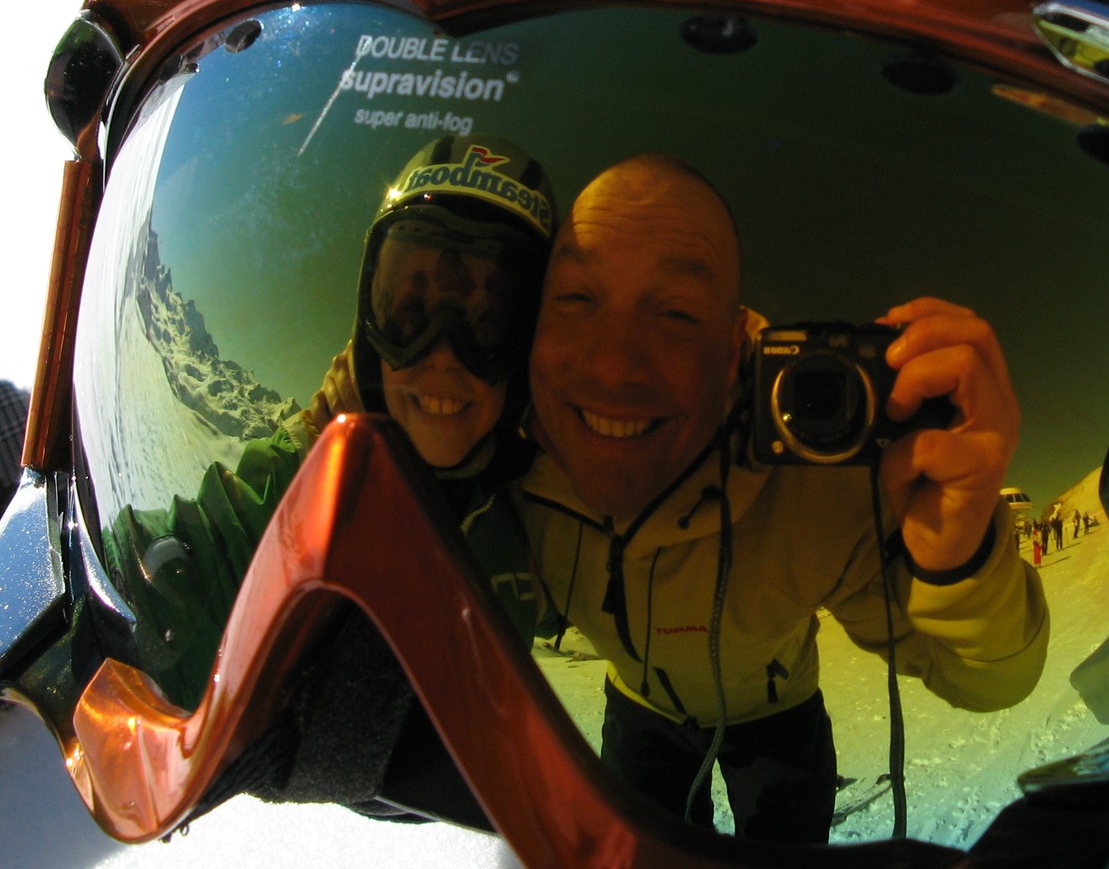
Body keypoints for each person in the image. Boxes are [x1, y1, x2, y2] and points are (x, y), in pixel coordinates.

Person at [514, 152, 1048, 843]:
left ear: (734, 348)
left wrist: (960, 558)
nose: (614, 364)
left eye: (677, 312)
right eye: (576, 298)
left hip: (778, 717)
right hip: (642, 713)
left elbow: (991, 680)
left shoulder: (819, 492)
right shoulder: (510, 461)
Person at [101, 134, 556, 711]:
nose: (444, 355)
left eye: (488, 321)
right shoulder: (302, 490)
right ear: (368, 328)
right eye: (410, 313)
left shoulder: (551, 522)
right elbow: (201, 545)